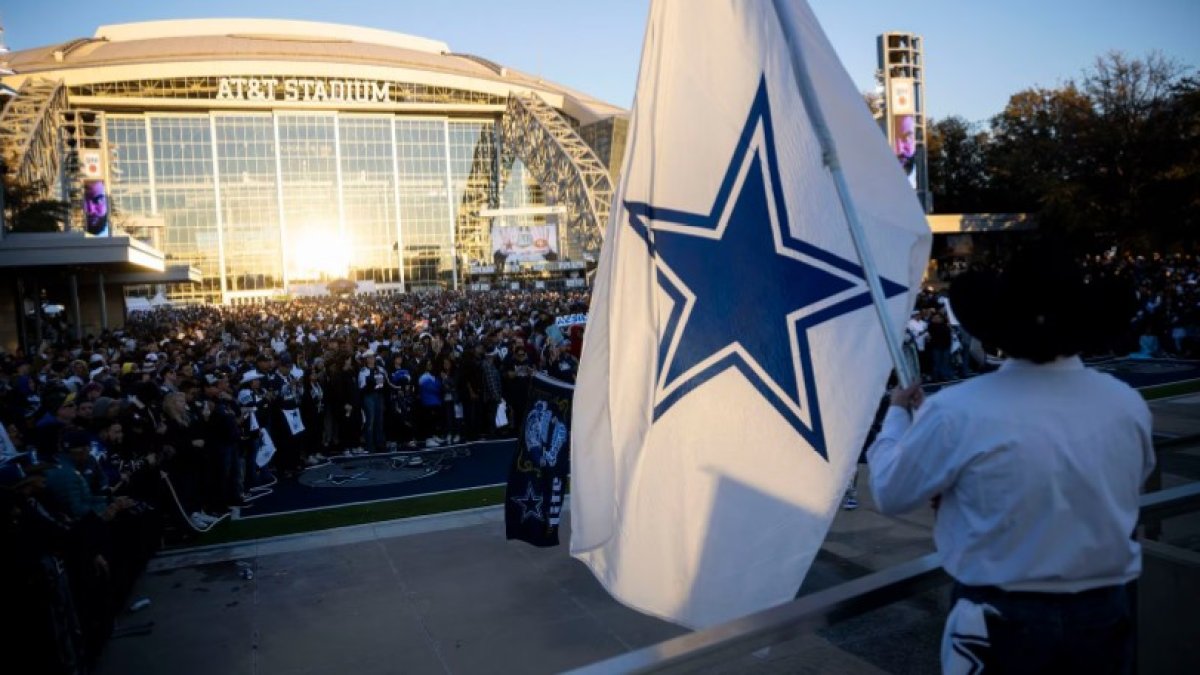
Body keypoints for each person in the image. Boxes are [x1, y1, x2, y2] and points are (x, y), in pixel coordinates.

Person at [867, 244, 1154, 674]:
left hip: (1000, 620)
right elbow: (1121, 486)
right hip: (1104, 616)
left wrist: (896, 415)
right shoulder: (1125, 404)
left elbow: (890, 490)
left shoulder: (958, 410)